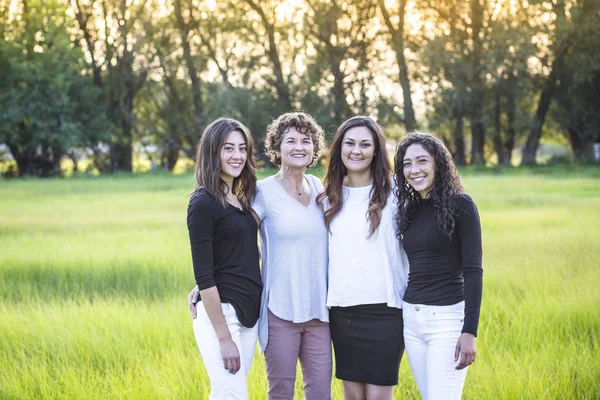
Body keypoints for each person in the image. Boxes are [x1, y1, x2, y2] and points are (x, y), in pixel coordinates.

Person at [188, 112, 331, 400]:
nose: (236, 155)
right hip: (263, 309)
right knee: (255, 393)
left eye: (241, 148)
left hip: (299, 309)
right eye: (291, 140)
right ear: (277, 148)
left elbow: (244, 244)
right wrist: (205, 284)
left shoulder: (318, 191)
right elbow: (224, 250)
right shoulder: (253, 194)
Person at [317, 116, 409, 400]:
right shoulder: (326, 196)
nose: (356, 151)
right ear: (339, 148)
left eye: (365, 144)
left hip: (386, 309)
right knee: (353, 396)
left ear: (376, 150)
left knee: (380, 395)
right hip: (343, 310)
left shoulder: (397, 194)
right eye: (350, 143)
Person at [393, 132, 483, 400]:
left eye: (422, 161)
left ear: (438, 164)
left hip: (446, 322)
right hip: (411, 319)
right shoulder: (408, 208)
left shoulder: (461, 205)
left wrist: (469, 332)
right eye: (407, 164)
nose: (414, 170)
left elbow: (474, 271)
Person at [187, 118, 262, 400]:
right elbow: (204, 275)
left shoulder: (239, 199)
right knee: (234, 396)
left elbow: (241, 253)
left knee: (225, 394)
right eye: (228, 148)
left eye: (242, 148)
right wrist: (224, 338)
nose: (237, 156)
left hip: (248, 315)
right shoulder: (203, 202)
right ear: (212, 152)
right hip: (222, 318)